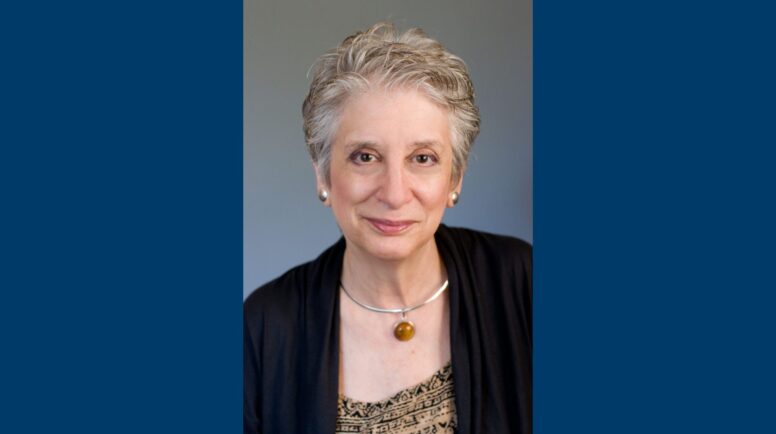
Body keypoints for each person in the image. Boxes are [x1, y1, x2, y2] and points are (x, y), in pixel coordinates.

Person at [244, 22, 531, 434]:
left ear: (455, 179)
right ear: (323, 175)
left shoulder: (523, 283)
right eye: (365, 156)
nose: (394, 194)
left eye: (423, 158)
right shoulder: (265, 326)